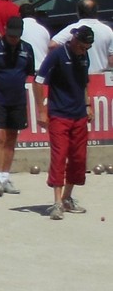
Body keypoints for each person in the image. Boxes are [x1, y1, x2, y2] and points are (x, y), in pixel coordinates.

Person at [34, 25, 94, 220]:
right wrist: (41, 111)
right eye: (82, 47)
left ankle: (67, 197)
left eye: (87, 48)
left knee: (78, 158)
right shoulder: (58, 54)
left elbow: (84, 83)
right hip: (59, 114)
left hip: (79, 115)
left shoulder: (84, 56)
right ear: (74, 41)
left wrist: (87, 105)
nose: (84, 51)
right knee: (59, 157)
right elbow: (38, 80)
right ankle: (57, 202)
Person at [0, 17, 35, 196]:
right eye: (11, 36)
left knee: (12, 138)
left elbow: (29, 72)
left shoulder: (27, 49)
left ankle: (5, 177)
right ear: (5, 30)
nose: (13, 39)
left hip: (17, 99)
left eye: (16, 36)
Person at [50, 0, 113, 74]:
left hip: (78, 75)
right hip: (100, 76)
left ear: (78, 12)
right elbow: (111, 59)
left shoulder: (73, 29)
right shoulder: (107, 30)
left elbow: (52, 45)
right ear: (96, 11)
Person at [18, 3, 51, 68]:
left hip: (25, 69)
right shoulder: (43, 30)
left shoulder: (19, 29)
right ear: (34, 14)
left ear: (19, 14)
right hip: (42, 68)